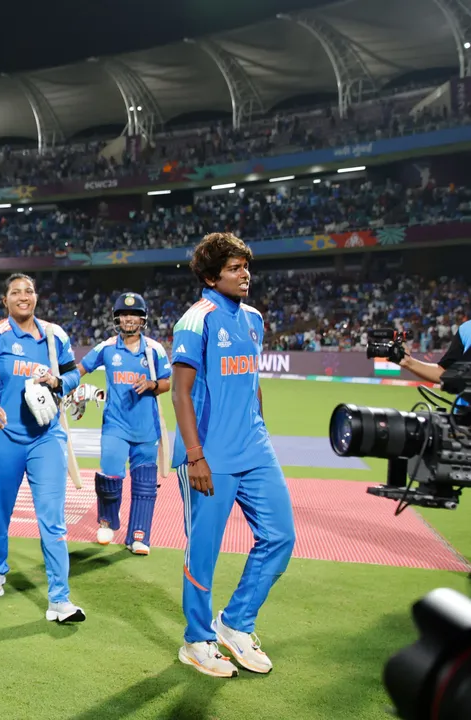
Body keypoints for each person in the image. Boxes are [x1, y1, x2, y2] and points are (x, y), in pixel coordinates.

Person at [170, 232, 296, 678]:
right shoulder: (195, 320)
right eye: (235, 268)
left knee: (281, 536)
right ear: (210, 276)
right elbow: (181, 394)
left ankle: (235, 623)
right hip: (210, 456)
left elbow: (252, 380)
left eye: (246, 266)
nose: (246, 275)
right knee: (204, 550)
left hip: (254, 449)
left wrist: (259, 428)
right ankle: (197, 640)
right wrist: (195, 456)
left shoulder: (254, 318)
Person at [0, 273, 86, 623]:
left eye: (29, 291)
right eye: (15, 292)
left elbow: (73, 374)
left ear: (36, 297)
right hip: (4, 436)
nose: (23, 296)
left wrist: (59, 380)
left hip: (47, 437)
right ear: (5, 301)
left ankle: (60, 599)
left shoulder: (55, 335)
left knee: (52, 519)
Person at [72, 292, 171, 553]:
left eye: (134, 315)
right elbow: (80, 369)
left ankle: (139, 535)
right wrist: (63, 383)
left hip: (146, 427)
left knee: (145, 484)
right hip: (115, 425)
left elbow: (167, 382)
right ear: (117, 319)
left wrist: (152, 385)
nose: (129, 319)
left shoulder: (154, 350)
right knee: (110, 475)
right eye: (124, 315)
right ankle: (106, 521)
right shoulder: (106, 348)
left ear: (142, 319)